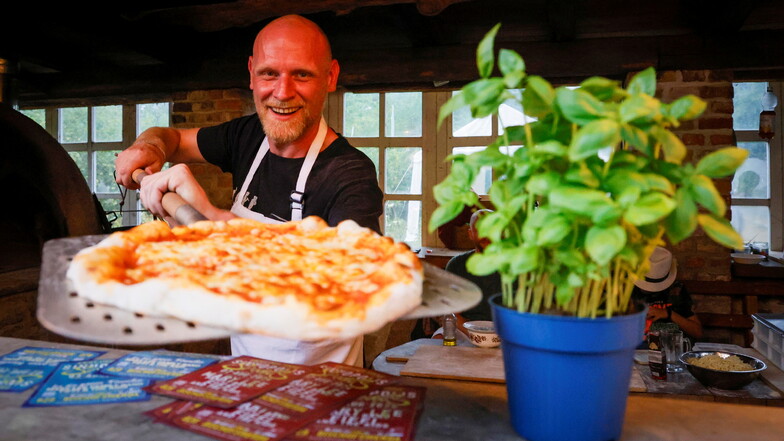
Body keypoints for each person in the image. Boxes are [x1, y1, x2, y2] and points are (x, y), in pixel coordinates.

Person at [114, 14, 383, 367]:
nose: (282, 92)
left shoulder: (349, 173)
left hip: (323, 392)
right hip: (248, 378)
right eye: (269, 73)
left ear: (330, 77)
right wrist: (148, 147)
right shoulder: (247, 138)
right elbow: (173, 138)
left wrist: (211, 219)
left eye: (301, 74)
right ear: (252, 73)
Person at [432, 209, 500, 342]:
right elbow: (451, 311)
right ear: (471, 234)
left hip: (504, 330)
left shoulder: (515, 264)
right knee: (439, 338)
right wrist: (474, 334)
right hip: (465, 329)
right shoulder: (457, 264)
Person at [633, 247, 703, 345]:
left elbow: (697, 332)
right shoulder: (628, 290)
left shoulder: (676, 290)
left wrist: (668, 314)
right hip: (637, 349)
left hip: (670, 349)